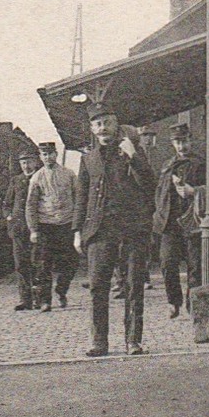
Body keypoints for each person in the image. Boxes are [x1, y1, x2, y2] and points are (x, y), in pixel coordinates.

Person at [73, 104, 155, 356]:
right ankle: (99, 342)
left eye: (107, 122)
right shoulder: (88, 159)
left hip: (131, 230)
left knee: (133, 285)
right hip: (100, 232)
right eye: (98, 124)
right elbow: (82, 197)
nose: (103, 128)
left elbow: (150, 185)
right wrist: (77, 231)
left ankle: (133, 341)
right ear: (92, 129)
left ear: (116, 124)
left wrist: (134, 156)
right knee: (98, 286)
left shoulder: (133, 151)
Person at [152, 122, 204, 318]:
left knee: (195, 266)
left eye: (185, 141)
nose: (182, 146)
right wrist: (158, 214)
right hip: (170, 224)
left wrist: (193, 192)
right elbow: (159, 192)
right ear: (172, 143)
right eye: (178, 142)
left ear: (190, 140)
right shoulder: (167, 165)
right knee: (167, 263)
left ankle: (193, 304)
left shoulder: (201, 164)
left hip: (192, 222)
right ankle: (173, 301)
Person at [25, 141, 77, 311]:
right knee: (43, 265)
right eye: (44, 155)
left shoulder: (69, 175)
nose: (48, 157)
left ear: (56, 154)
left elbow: (78, 200)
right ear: (41, 157)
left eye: (50, 154)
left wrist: (78, 225)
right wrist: (33, 229)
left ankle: (61, 290)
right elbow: (30, 205)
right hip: (46, 226)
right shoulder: (37, 178)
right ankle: (45, 300)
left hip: (66, 224)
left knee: (70, 262)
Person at [6, 146, 42, 311]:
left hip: (37, 228)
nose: (26, 166)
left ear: (36, 162)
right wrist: (8, 216)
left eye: (29, 162)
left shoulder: (41, 177)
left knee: (37, 263)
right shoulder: (15, 180)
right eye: (23, 162)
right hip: (19, 229)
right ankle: (25, 300)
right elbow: (7, 203)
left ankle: (39, 299)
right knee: (21, 265)